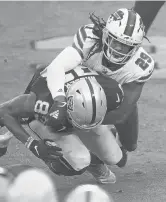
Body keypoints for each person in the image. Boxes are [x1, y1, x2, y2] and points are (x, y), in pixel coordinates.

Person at [38, 8, 154, 183]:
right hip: (75, 91)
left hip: (113, 99)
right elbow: (56, 67)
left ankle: (95, 148)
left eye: (126, 46)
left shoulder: (141, 66)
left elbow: (122, 112)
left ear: (136, 48)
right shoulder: (90, 38)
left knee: (128, 147)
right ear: (106, 35)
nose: (119, 50)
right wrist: (60, 101)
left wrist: (77, 119)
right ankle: (90, 158)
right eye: (116, 42)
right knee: (43, 97)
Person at [0, 64, 124, 183]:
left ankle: (95, 157)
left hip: (81, 110)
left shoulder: (112, 92)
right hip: (48, 120)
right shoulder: (44, 101)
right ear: (67, 105)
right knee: (79, 161)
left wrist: (128, 141)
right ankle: (92, 163)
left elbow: (127, 112)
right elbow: (4, 111)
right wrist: (33, 145)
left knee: (114, 156)